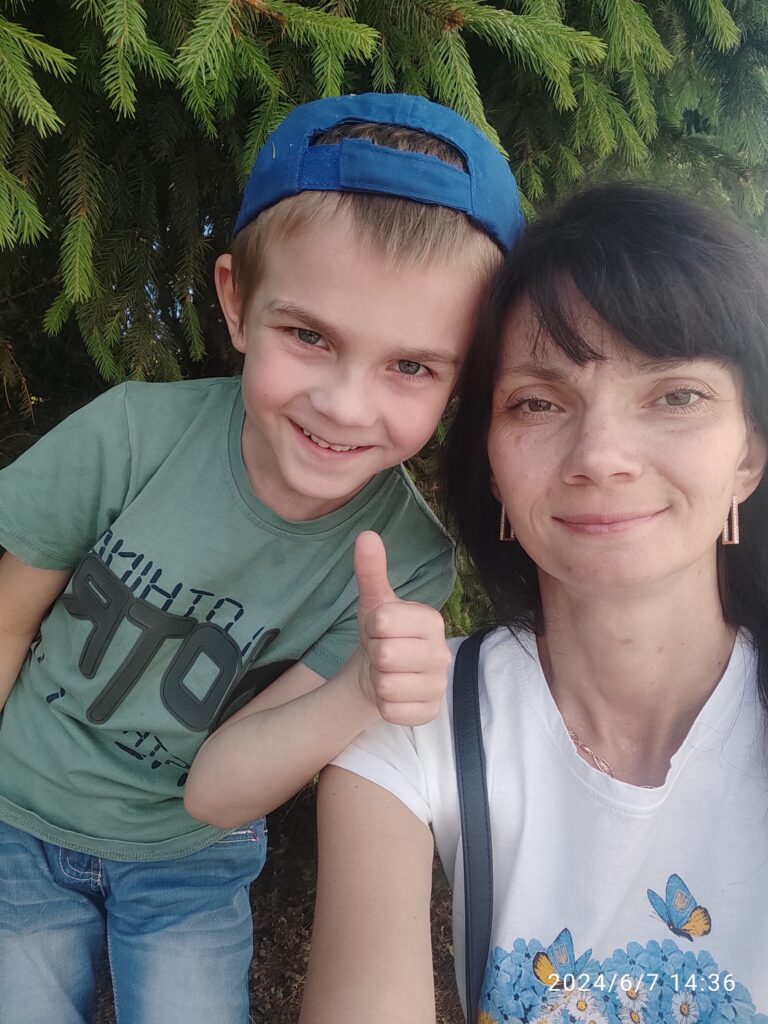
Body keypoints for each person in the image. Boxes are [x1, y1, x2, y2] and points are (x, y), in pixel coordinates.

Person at [0, 93, 523, 1024]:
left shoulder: (402, 570)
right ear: (238, 301)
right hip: (16, 811)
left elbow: (216, 794)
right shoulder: (129, 437)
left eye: (411, 366)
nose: (345, 405)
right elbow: (9, 618)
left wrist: (359, 688)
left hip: (190, 861)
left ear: (465, 375)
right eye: (310, 336)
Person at [300, 183, 768, 1024]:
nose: (601, 455)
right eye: (539, 403)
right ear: (491, 466)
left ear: (748, 458)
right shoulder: (409, 717)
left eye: (676, 395)